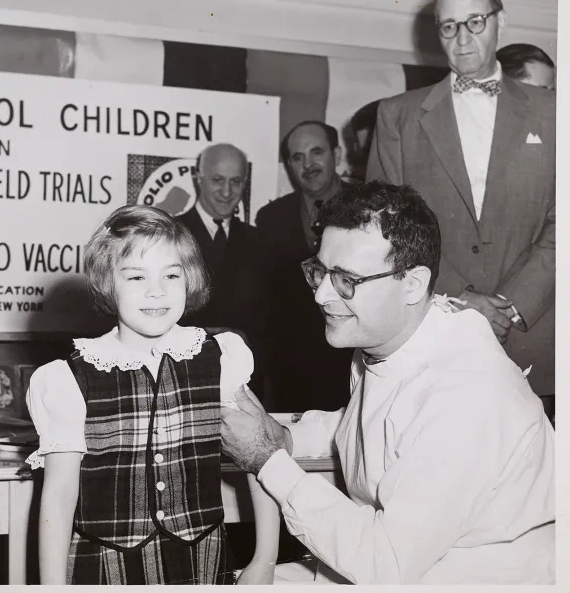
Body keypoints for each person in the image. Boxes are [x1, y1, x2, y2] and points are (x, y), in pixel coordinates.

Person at [220, 181, 555, 584]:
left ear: (412, 284)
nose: (322, 295)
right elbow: (373, 424)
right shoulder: (392, 338)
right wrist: (290, 438)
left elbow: (385, 565)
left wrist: (266, 458)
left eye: (346, 280)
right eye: (320, 272)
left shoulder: (469, 398)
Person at [26, 205, 279, 585]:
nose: (156, 291)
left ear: (189, 278)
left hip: (201, 563)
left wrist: (265, 559)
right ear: (107, 282)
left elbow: (262, 456)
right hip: (105, 568)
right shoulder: (69, 378)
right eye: (136, 277)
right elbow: (59, 496)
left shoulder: (221, 358)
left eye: (171, 275)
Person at [366, 0, 555, 419]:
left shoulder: (555, 111)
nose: (463, 39)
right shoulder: (397, 116)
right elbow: (387, 229)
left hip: (536, 342)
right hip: (435, 340)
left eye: (476, 22)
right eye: (449, 27)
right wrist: (458, 298)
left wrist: (512, 305)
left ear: (499, 22)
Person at [255, 121, 353, 412]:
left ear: (336, 153)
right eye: (297, 157)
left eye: (316, 152)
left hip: (354, 363)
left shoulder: (368, 207)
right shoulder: (271, 218)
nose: (307, 164)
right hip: (292, 373)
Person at [176, 143, 271, 402]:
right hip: (183, 384)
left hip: (245, 389)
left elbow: (273, 322)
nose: (227, 192)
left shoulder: (260, 242)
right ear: (199, 178)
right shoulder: (169, 235)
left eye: (236, 181)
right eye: (218, 180)